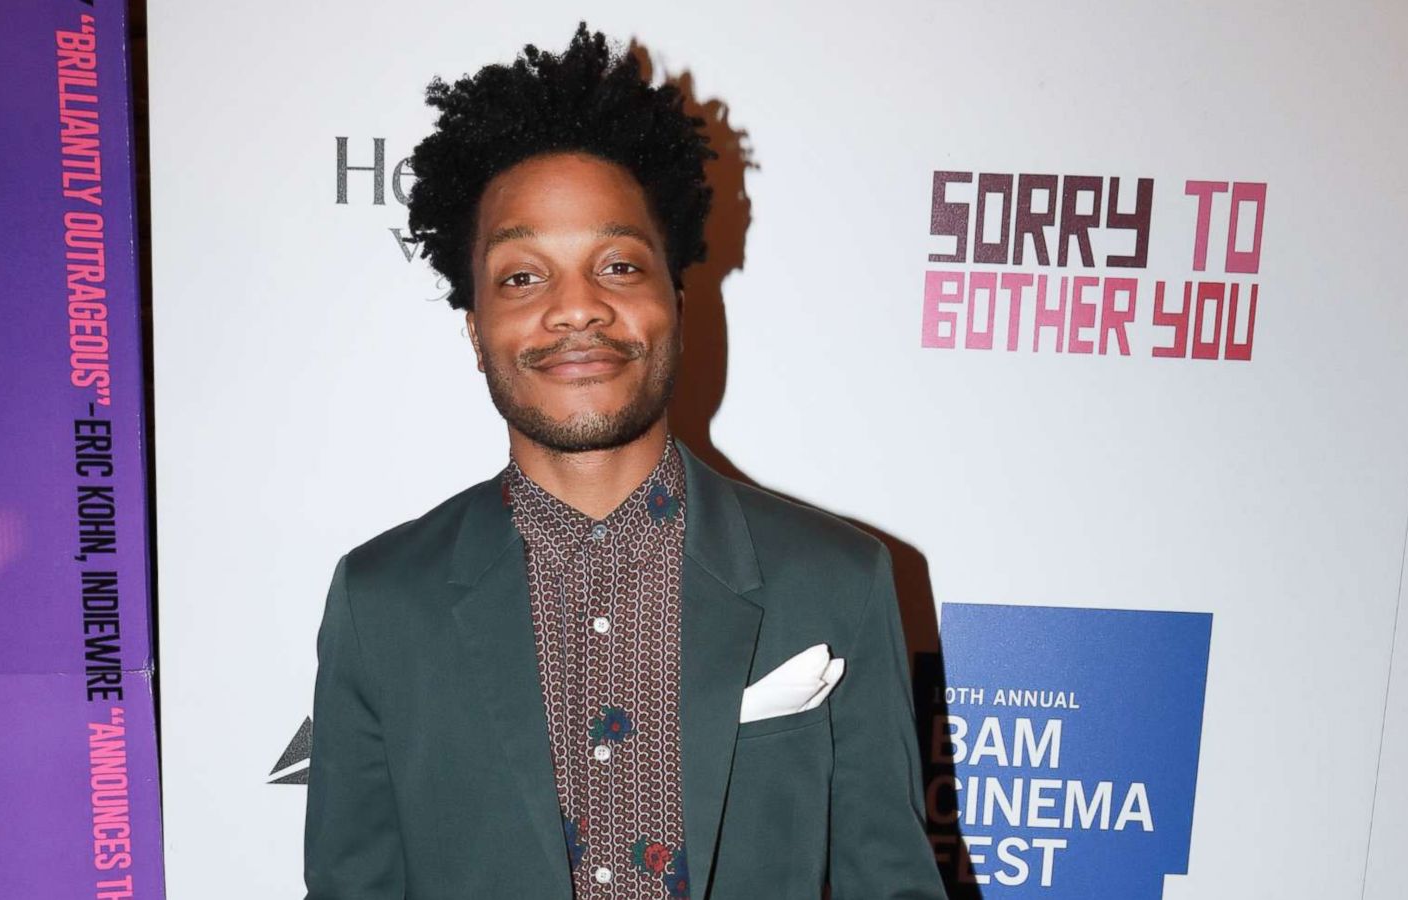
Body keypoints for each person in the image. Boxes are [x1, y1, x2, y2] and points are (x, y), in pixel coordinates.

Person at [304, 22, 943, 900]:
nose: (577, 310)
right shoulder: (382, 603)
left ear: (674, 301)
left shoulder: (836, 581)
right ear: (474, 326)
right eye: (523, 276)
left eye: (616, 264)